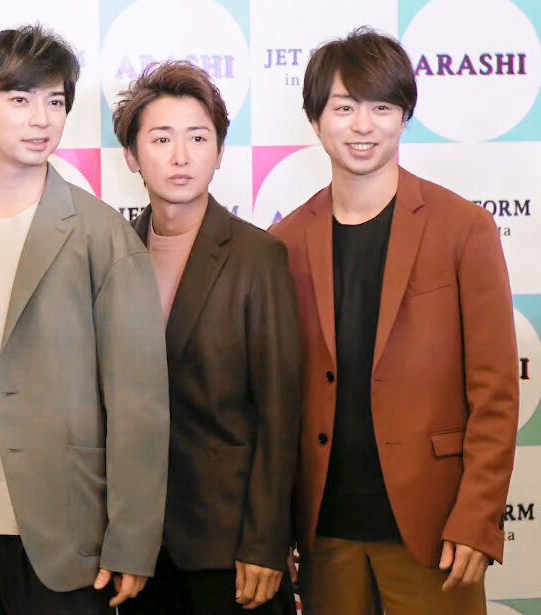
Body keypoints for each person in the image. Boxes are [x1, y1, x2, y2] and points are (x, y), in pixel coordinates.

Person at [0, 24, 170, 615]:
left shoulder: (103, 235)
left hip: (68, 532)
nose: (42, 119)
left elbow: (138, 404)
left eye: (55, 101)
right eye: (20, 99)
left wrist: (132, 539)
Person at [271, 27, 519, 615]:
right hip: (325, 536)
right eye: (344, 107)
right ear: (315, 120)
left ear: (404, 116)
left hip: (437, 530)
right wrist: (274, 530)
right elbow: (275, 401)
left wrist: (478, 519)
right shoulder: (283, 243)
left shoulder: (463, 229)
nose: (363, 125)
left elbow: (496, 392)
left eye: (381, 107)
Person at [111, 60, 301, 614]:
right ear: (131, 156)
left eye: (198, 138)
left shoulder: (258, 256)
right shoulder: (112, 254)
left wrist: (266, 541)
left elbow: (280, 410)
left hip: (230, 544)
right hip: (139, 548)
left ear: (218, 152)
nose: (181, 156)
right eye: (161, 139)